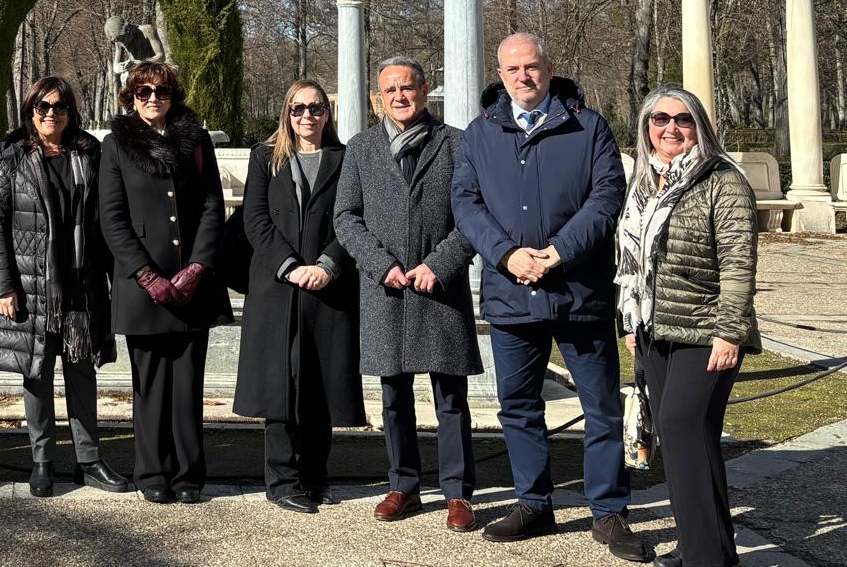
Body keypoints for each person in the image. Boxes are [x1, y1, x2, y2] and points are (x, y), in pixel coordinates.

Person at [452, 32, 647, 561]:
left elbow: (607, 198)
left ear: (549, 66)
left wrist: (557, 253)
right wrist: (506, 255)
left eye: (532, 66)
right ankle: (533, 503)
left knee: (600, 406)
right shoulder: (480, 133)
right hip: (511, 291)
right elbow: (466, 203)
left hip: (578, 292)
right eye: (513, 69)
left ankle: (608, 512)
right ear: (501, 74)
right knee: (518, 406)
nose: (523, 76)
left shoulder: (589, 127)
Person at [335, 57, 481, 530]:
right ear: (379, 97)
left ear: (424, 90)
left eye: (408, 87)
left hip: (439, 288)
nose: (400, 96)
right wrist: (382, 266)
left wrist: (438, 265)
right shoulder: (360, 149)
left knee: (451, 397)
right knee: (393, 396)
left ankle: (458, 493)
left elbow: (474, 216)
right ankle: (403, 485)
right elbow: (346, 219)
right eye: (390, 89)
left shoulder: (456, 144)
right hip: (387, 292)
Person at [616, 88, 759, 567]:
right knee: (684, 441)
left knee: (681, 427)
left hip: (706, 330)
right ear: (646, 126)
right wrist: (631, 318)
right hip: (655, 329)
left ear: (700, 126)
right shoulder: (644, 181)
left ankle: (704, 556)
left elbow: (740, 264)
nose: (670, 129)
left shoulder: (724, 181)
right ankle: (707, 547)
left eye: (683, 120)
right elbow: (632, 258)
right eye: (660, 119)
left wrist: (729, 332)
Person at [0, 75, 130, 497]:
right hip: (30, 285)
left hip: (80, 284)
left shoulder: (89, 152)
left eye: (59, 107)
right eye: (43, 107)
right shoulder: (10, 154)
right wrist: (2, 286)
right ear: (30, 110)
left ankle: (89, 460)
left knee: (82, 372)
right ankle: (42, 460)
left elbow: (107, 217)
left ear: (71, 112)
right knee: (37, 372)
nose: (51, 114)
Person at [99, 60, 233, 504]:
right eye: (143, 92)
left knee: (188, 383)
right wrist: (145, 275)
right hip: (145, 285)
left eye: (161, 91)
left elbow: (213, 205)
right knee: (150, 384)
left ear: (174, 95)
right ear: (130, 96)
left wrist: (197, 267)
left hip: (191, 280)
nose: (153, 99)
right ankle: (152, 471)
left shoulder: (194, 140)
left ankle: (189, 474)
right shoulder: (117, 144)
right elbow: (113, 218)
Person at [235, 77, 363, 514]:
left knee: (320, 384)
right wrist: (290, 266)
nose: (307, 116)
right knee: (280, 386)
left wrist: (327, 265)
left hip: (328, 286)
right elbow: (254, 220)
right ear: (286, 114)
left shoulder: (347, 160)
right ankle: (283, 480)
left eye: (315, 108)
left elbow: (355, 221)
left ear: (327, 114)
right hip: (277, 287)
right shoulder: (264, 159)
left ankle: (316, 476)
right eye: (297, 108)